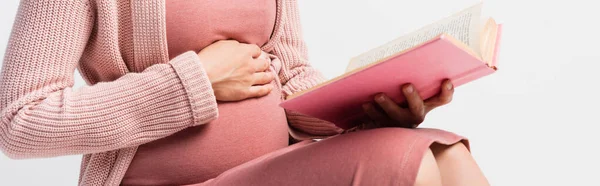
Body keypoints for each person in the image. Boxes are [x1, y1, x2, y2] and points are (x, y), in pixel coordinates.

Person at [0, 0, 489, 185]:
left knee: (446, 154)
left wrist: (366, 107)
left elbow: (290, 74)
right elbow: (19, 121)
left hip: (275, 168)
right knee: (414, 167)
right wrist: (193, 81)